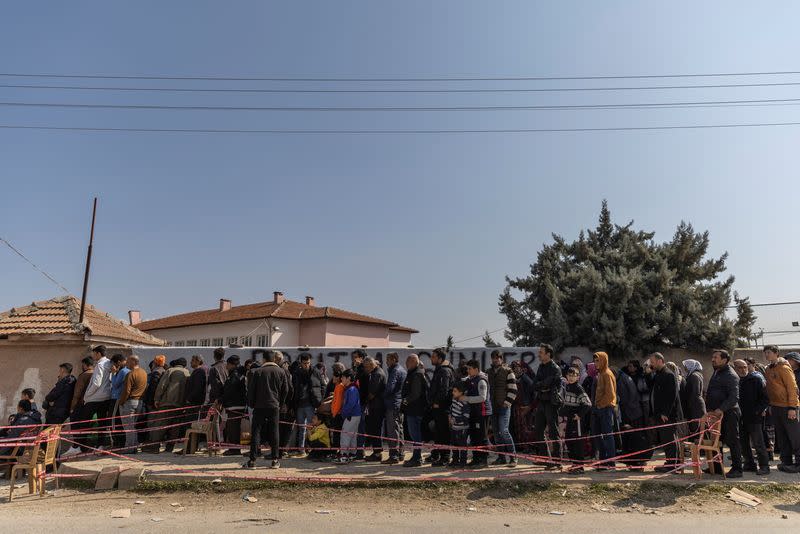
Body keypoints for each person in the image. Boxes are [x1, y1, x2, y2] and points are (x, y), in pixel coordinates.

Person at [245, 350, 290, 469]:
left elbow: (251, 391)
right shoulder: (281, 372)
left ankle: (252, 461)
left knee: (256, 432)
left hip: (259, 406)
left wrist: (252, 404)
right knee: (274, 432)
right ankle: (275, 460)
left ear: (264, 359)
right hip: (274, 406)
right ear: (274, 359)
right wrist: (280, 402)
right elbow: (286, 390)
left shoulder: (258, 372)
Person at [704, 349, 743, 478]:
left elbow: (734, 397)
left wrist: (721, 409)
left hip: (729, 413)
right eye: (712, 357)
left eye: (716, 357)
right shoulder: (717, 372)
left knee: (732, 440)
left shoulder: (730, 375)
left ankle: (737, 469)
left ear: (725, 360)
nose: (713, 359)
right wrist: (710, 410)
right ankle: (716, 467)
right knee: (716, 440)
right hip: (716, 414)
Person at [763, 345, 800, 472]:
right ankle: (786, 462)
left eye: (769, 352)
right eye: (765, 353)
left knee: (795, 437)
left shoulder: (784, 368)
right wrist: (771, 405)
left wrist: (792, 407)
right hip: (776, 406)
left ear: (776, 353)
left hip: (788, 407)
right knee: (782, 437)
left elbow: (792, 388)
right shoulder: (768, 369)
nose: (766, 355)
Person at [733, 359, 770, 475]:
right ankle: (749, 463)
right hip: (740, 417)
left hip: (754, 418)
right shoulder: (735, 381)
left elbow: (765, 398)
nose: (743, 370)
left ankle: (764, 466)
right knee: (743, 443)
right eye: (740, 367)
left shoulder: (756, 379)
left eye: (745, 367)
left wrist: (757, 411)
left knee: (758, 443)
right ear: (735, 369)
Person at [77, 345, 114, 451]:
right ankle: (100, 445)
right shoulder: (109, 363)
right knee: (102, 423)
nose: (92, 356)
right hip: (106, 397)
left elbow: (96, 383)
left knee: (84, 422)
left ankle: (81, 446)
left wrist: (87, 395)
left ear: (98, 353)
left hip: (95, 398)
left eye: (94, 353)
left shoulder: (100, 365)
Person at [649, 352, 681, 473]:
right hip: (660, 414)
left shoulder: (668, 375)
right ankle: (672, 462)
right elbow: (650, 387)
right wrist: (648, 374)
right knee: (667, 438)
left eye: (652, 362)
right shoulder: (658, 374)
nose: (651, 365)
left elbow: (671, 396)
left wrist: (665, 413)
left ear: (660, 361)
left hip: (667, 415)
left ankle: (672, 464)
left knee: (669, 439)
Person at [532, 344, 563, 468]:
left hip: (551, 403)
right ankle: (545, 458)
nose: (539, 354)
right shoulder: (541, 367)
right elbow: (535, 384)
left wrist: (543, 385)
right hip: (542, 401)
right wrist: (543, 386)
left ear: (548, 354)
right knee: (538, 431)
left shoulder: (555, 368)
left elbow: (548, 384)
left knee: (553, 432)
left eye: (541, 352)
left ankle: (557, 461)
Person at [487, 350, 518, 466]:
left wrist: (507, 403)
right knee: (496, 434)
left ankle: (513, 457)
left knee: (504, 431)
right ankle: (501, 458)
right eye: (493, 358)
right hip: (493, 407)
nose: (495, 360)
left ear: (501, 359)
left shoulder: (508, 371)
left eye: (497, 358)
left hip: (504, 407)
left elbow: (513, 389)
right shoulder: (488, 372)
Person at [153, 358, 190, 453]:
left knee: (161, 425)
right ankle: (170, 448)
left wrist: (157, 399)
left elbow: (162, 385)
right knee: (175, 427)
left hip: (167, 402)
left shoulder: (170, 370)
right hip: (180, 405)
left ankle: (154, 447)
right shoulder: (188, 373)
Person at [617, 362, 649, 470]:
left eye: (631, 366)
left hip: (633, 412)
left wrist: (627, 408)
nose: (629, 367)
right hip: (631, 411)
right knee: (630, 438)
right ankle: (634, 462)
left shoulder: (624, 379)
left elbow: (630, 396)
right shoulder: (626, 377)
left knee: (636, 438)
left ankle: (638, 462)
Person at [292, 353, 326, 454]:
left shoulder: (315, 372)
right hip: (299, 405)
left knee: (312, 427)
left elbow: (323, 385)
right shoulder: (296, 373)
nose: (306, 365)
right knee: (301, 428)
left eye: (308, 363)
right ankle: (301, 449)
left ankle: (312, 448)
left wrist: (319, 399)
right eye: (304, 363)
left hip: (311, 404)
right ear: (301, 362)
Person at [560, 366, 592, 473]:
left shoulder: (578, 388)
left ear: (578, 377)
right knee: (569, 441)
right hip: (570, 420)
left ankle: (579, 467)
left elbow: (587, 404)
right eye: (569, 375)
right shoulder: (568, 387)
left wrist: (579, 415)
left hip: (577, 421)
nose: (571, 377)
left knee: (577, 443)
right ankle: (574, 465)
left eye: (574, 375)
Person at [427, 348, 456, 466]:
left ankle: (445, 457)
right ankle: (437, 454)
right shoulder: (439, 370)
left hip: (443, 407)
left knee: (444, 433)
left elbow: (444, 390)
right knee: (438, 432)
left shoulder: (444, 371)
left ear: (440, 358)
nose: (431, 359)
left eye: (434, 357)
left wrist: (437, 402)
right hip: (436, 407)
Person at [61, 357, 94, 457]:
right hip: (88, 403)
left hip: (79, 405)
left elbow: (77, 393)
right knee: (85, 427)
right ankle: (83, 447)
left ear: (85, 364)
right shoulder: (94, 373)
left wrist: (72, 407)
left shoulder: (83, 375)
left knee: (76, 427)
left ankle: (76, 447)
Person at [463, 359, 492, 468]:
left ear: (476, 369)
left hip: (482, 412)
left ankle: (483, 460)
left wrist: (466, 398)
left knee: (482, 437)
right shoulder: (471, 379)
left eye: (470, 369)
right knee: (474, 437)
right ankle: (476, 459)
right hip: (474, 412)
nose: (468, 371)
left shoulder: (481, 380)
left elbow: (482, 398)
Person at [401, 354, 429, 467]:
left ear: (414, 362)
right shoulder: (414, 373)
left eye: (408, 361)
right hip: (413, 409)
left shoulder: (417, 374)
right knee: (414, 434)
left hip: (415, 409)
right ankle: (416, 456)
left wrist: (405, 401)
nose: (406, 364)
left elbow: (415, 394)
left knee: (415, 434)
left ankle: (417, 458)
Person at [591, 352, 617, 471]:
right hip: (599, 409)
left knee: (607, 435)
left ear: (603, 361)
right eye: (595, 361)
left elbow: (611, 395)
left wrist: (600, 406)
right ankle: (602, 460)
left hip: (606, 409)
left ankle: (610, 462)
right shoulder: (600, 374)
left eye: (598, 360)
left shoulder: (607, 374)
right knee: (598, 435)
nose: (596, 363)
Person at [117, 355, 147, 454]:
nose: (126, 363)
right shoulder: (144, 373)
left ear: (134, 362)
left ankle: (129, 447)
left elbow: (126, 391)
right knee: (132, 426)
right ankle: (134, 446)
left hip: (129, 402)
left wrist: (121, 402)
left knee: (128, 427)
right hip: (139, 402)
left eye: (128, 361)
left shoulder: (130, 374)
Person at [382, 352, 406, 464]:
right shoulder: (402, 370)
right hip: (399, 403)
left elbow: (390, 387)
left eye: (388, 359)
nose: (386, 362)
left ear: (394, 359)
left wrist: (383, 396)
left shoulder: (395, 371)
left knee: (392, 431)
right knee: (399, 429)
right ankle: (401, 453)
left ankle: (394, 456)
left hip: (392, 404)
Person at [360, 357, 386, 461]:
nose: (365, 369)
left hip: (377, 406)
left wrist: (365, 401)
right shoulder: (376, 372)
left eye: (366, 367)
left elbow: (372, 393)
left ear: (371, 365)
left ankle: (377, 453)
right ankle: (376, 452)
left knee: (375, 430)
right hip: (375, 406)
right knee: (374, 429)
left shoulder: (377, 374)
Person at [221, 356, 247, 456]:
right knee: (232, 428)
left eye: (227, 364)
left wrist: (221, 400)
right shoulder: (237, 374)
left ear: (232, 364)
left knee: (233, 429)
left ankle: (234, 449)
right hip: (236, 405)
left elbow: (229, 391)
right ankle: (233, 448)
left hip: (234, 405)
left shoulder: (235, 375)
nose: (226, 366)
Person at [139, 355, 166, 452]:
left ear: (155, 363)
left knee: (151, 424)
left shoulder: (156, 373)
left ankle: (152, 446)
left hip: (153, 403)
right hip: (159, 402)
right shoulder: (164, 371)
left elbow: (152, 389)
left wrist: (150, 402)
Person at [336, 369, 362, 464]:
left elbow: (350, 404)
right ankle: (352, 454)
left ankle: (344, 455)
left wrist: (344, 413)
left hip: (351, 415)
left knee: (345, 434)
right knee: (352, 435)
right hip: (355, 415)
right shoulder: (352, 388)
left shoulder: (351, 389)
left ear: (349, 378)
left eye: (343, 377)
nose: (341, 378)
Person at [509, 360, 536, 451]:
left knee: (527, 428)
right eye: (514, 367)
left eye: (517, 367)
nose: (515, 369)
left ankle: (528, 447)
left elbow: (533, 386)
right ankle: (519, 446)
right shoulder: (511, 378)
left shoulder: (526, 376)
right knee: (517, 428)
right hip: (515, 406)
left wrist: (523, 375)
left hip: (526, 406)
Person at [351, 349, 369, 460]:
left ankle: (360, 451)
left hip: (362, 402)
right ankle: (358, 450)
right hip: (358, 402)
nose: (354, 359)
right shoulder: (358, 369)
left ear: (362, 358)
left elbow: (361, 385)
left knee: (361, 427)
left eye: (356, 357)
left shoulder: (364, 370)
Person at [681, 359, 707, 434]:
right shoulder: (695, 374)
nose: (685, 368)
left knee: (696, 428)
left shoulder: (694, 376)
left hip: (695, 406)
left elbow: (696, 392)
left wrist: (689, 404)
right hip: (695, 404)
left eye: (686, 366)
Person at [448, 381, 470, 468]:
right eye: (453, 391)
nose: (453, 393)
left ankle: (463, 461)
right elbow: (451, 409)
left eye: (455, 391)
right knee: (454, 444)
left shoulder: (464, 403)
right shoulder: (453, 400)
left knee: (462, 445)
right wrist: (450, 416)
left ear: (461, 392)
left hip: (462, 428)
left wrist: (455, 419)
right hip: (454, 427)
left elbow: (466, 416)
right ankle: (455, 460)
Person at [109, 354, 129, 449]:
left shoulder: (122, 372)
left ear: (118, 362)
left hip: (116, 398)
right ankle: (119, 442)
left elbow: (115, 384)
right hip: (119, 398)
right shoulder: (126, 370)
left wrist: (113, 373)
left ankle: (117, 442)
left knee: (114, 420)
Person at [186, 355, 210, 420]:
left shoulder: (199, 371)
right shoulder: (198, 371)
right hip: (195, 402)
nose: (190, 362)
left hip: (194, 403)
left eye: (192, 360)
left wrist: (189, 399)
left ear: (198, 362)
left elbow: (197, 388)